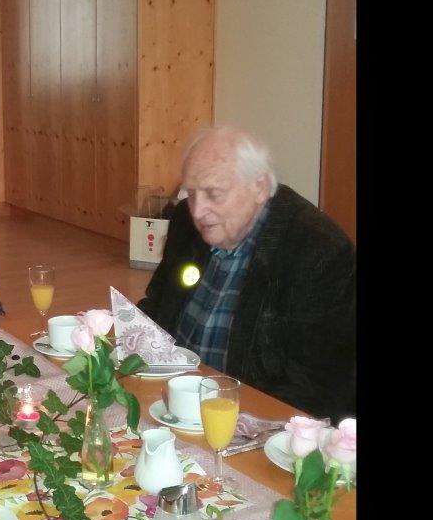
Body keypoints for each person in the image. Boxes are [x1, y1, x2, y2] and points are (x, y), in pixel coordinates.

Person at [137, 126, 355, 421]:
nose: (197, 211)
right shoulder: (185, 221)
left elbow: (313, 385)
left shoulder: (317, 250)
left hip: (248, 419)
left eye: (213, 194)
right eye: (191, 193)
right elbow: (158, 304)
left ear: (260, 188)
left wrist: (233, 420)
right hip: (170, 395)